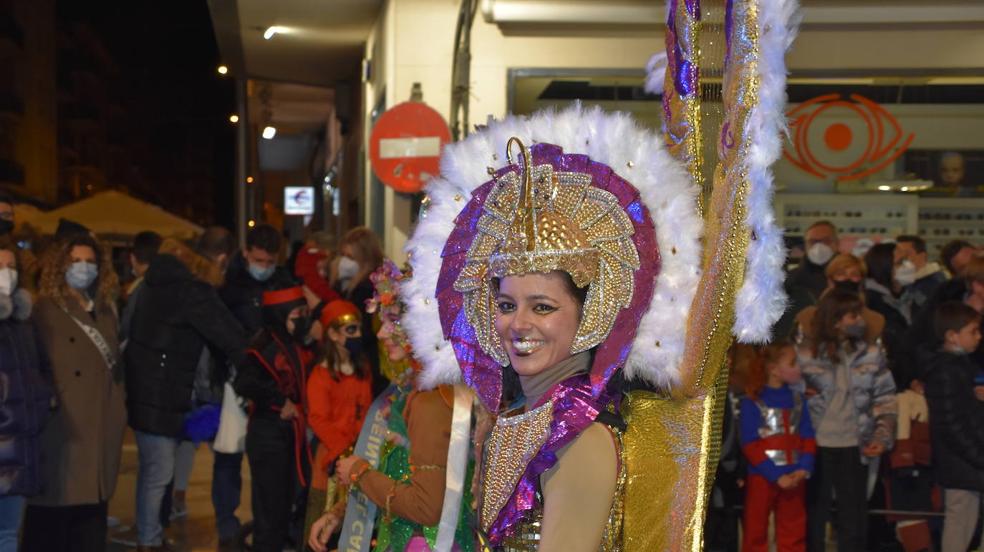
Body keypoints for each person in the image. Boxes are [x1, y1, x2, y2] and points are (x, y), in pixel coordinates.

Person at [309, 261, 475, 552]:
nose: (381, 334)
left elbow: (427, 508)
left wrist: (359, 472)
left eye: (394, 321)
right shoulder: (409, 388)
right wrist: (338, 514)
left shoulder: (432, 401)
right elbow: (391, 470)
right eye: (383, 321)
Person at [124, 237, 247, 551]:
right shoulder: (192, 292)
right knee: (161, 470)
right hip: (172, 396)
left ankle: (150, 534)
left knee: (156, 470)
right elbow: (229, 335)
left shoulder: (146, 287)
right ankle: (149, 540)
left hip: (149, 394)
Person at [21, 235, 127, 552]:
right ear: (60, 266)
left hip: (101, 424)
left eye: (90, 262)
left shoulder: (106, 311)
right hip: (63, 428)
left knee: (92, 513)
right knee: (53, 511)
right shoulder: (44, 309)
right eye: (76, 261)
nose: (84, 268)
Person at [796, 289, 897, 552]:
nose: (859, 320)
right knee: (812, 519)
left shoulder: (872, 354)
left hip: (855, 444)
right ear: (835, 319)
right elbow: (790, 397)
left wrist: (881, 437)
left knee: (854, 521)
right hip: (814, 445)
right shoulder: (804, 355)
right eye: (853, 315)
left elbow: (886, 399)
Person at [233, 285, 315, 552]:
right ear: (280, 316)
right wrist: (280, 401)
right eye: (296, 315)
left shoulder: (296, 342)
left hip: (289, 434)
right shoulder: (263, 345)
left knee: (285, 504)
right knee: (270, 510)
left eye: (305, 313)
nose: (303, 320)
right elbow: (244, 382)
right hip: (269, 435)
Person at [303, 300, 373, 546]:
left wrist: (363, 442)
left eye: (358, 329)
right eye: (350, 330)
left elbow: (365, 410)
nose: (357, 335)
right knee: (324, 514)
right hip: (331, 454)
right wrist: (343, 447)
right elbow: (317, 418)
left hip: (359, 452)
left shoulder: (361, 368)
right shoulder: (321, 374)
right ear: (332, 334)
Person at [0, 241, 51, 552]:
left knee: (8, 534)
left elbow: (40, 371)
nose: (6, 274)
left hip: (18, 449)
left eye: (11, 267)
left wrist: (43, 401)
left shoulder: (24, 324)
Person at [739, 341, 815, 552]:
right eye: (793, 363)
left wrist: (804, 468)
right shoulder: (752, 401)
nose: (799, 367)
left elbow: (808, 436)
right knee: (755, 532)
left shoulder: (799, 400)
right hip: (762, 478)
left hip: (795, 476)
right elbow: (750, 444)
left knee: (794, 532)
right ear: (773, 369)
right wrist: (775, 475)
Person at [923, 301, 984, 552]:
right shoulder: (945, 371)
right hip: (962, 462)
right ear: (952, 336)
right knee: (960, 523)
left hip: (967, 459)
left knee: (965, 521)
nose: (979, 336)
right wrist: (979, 455)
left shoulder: (960, 366)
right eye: (973, 331)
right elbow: (951, 423)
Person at [333, 227, 385, 396]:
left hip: (370, 360)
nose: (344, 263)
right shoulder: (356, 283)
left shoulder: (368, 287)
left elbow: (366, 329)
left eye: (350, 257)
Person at [863, 243, 912, 385]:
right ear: (884, 267)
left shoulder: (909, 297)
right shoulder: (870, 302)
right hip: (882, 379)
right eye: (900, 262)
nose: (908, 266)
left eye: (907, 260)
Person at [895, 235, 946, 314]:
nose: (899, 260)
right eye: (897, 255)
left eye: (906, 254)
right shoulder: (909, 280)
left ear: (922, 256)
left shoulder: (934, 283)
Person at [788, 221, 839, 300]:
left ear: (837, 243)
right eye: (812, 242)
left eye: (826, 241)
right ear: (805, 245)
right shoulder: (791, 279)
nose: (818, 246)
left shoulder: (850, 277)